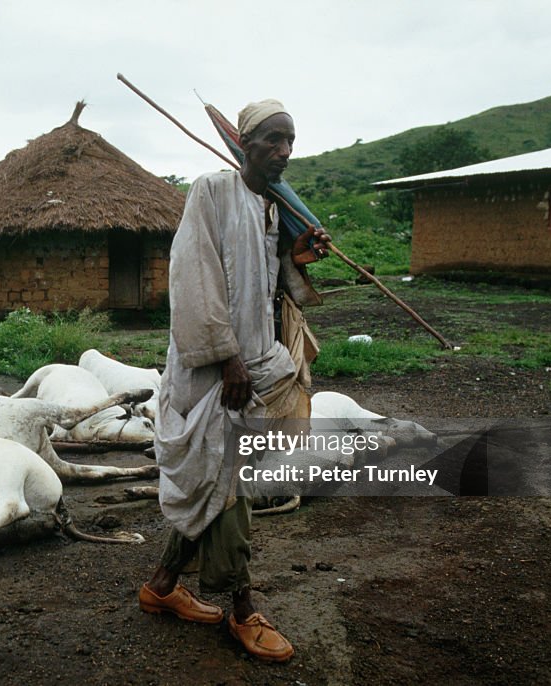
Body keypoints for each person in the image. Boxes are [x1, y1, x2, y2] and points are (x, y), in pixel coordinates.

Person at [137, 99, 329, 663]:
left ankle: (162, 586)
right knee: (229, 483)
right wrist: (227, 359)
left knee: (217, 481)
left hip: (250, 362)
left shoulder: (269, 209)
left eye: (291, 141)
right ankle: (243, 611)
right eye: (273, 139)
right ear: (244, 142)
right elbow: (194, 275)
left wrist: (295, 257)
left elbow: (262, 283)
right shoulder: (212, 191)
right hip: (214, 371)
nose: (284, 152)